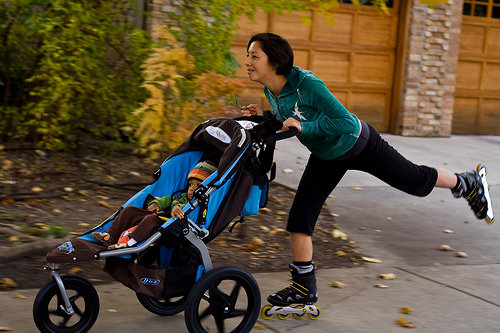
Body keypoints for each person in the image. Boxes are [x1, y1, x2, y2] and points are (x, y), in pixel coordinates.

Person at [241, 32, 494, 308]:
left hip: (360, 143)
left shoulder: (307, 84)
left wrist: (308, 128)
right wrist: (263, 117)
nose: (248, 62)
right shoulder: (270, 89)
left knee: (414, 181)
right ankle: (303, 288)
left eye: (255, 56)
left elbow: (346, 122)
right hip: (327, 155)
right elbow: (289, 118)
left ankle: (467, 182)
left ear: (275, 62)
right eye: (248, 55)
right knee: (301, 216)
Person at [92, 160, 217, 250]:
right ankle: (110, 236)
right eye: (190, 184)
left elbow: (183, 209)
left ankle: (129, 243)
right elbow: (170, 200)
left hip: (174, 226)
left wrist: (176, 207)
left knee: (150, 219)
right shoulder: (182, 197)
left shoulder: (201, 203)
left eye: (197, 185)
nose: (191, 189)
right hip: (161, 217)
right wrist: (157, 203)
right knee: (130, 210)